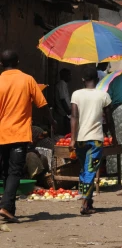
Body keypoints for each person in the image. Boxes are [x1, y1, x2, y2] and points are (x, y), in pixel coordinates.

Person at [0, 50, 54, 223]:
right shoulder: (27, 79)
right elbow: (42, 104)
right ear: (18, 61)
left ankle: (9, 209)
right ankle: (6, 207)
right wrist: (52, 121)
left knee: (5, 172)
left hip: (1, 135)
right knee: (14, 172)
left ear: (2, 64)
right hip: (19, 135)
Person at [70, 66, 115, 215]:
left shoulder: (76, 94)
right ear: (97, 79)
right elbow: (109, 119)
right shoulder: (103, 95)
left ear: (83, 79)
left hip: (80, 141)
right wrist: (113, 136)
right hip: (96, 141)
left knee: (84, 170)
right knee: (90, 171)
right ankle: (85, 204)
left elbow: (74, 117)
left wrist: (72, 139)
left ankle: (88, 201)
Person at [54, 68, 72, 134]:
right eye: (69, 75)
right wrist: (68, 112)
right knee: (65, 132)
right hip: (63, 114)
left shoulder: (64, 84)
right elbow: (63, 99)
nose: (70, 76)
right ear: (65, 75)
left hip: (65, 114)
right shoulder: (62, 84)